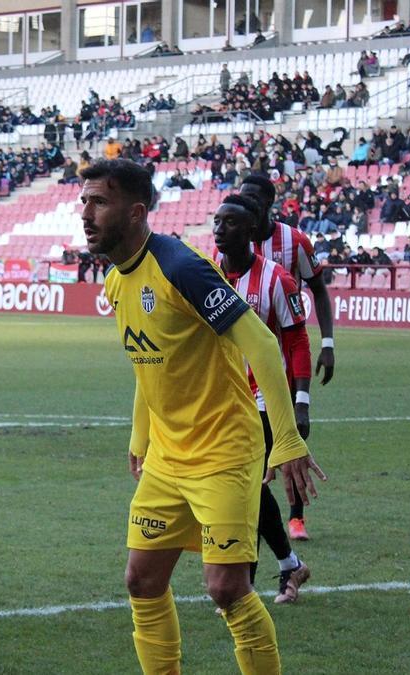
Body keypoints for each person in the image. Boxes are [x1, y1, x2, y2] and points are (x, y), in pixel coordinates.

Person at [83, 159, 324, 675]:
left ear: (135, 212)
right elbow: (150, 364)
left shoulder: (182, 267)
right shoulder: (117, 281)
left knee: (227, 588)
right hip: (168, 459)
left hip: (223, 452)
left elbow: (260, 340)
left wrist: (286, 439)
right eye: (85, 201)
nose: (86, 213)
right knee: (141, 581)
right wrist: (140, 438)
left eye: (99, 202)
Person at [213, 194, 314, 605]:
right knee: (247, 487)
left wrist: (301, 402)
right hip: (221, 401)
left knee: (247, 485)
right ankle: (290, 565)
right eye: (217, 221)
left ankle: (244, 586)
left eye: (231, 222)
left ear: (251, 231)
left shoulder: (276, 279)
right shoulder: (206, 275)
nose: (220, 228)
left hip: (263, 401)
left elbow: (297, 340)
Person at [237, 173, 334, 541]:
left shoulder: (293, 241)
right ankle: (258, 519)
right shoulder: (229, 246)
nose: (246, 203)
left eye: (253, 198)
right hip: (241, 368)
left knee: (289, 436)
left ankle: (295, 517)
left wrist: (328, 343)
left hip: (285, 359)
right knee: (250, 449)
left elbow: (319, 291)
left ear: (267, 204)